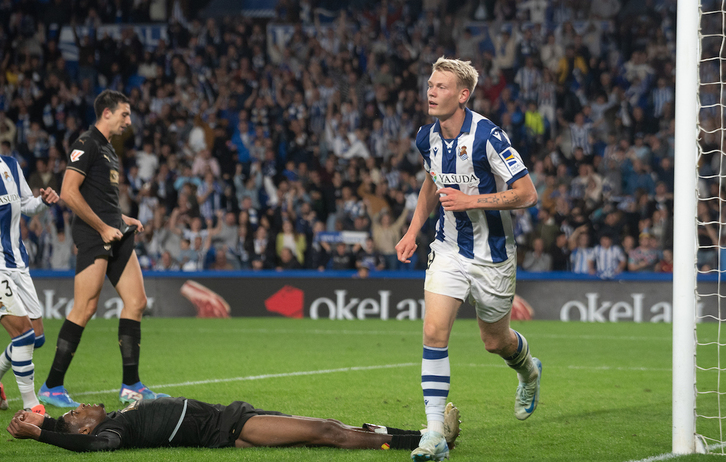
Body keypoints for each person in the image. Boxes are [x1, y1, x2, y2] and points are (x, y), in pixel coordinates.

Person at [395, 57, 541, 462]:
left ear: (463, 95)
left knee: (495, 341)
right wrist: (412, 230)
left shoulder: (488, 137)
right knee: (433, 331)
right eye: (430, 84)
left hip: (493, 256)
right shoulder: (426, 137)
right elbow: (432, 183)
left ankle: (528, 370)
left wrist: (470, 201)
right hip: (447, 248)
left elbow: (528, 194)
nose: (431, 91)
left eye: (440, 86)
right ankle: (434, 434)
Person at [38, 90, 169, 408]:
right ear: (106, 113)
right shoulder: (87, 143)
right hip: (94, 234)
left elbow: (101, 199)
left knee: (137, 302)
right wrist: (102, 227)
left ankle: (131, 386)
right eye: (124, 114)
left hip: (115, 231)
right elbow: (69, 192)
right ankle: (52, 386)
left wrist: (123, 219)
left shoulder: (109, 149)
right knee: (85, 308)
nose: (129, 120)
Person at [7, 398, 460, 453]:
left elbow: (68, 426)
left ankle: (420, 434)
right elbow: (92, 449)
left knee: (332, 426)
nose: (78, 407)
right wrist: (41, 433)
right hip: (233, 427)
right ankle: (429, 440)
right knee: (326, 430)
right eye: (75, 415)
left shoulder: (121, 416)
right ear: (86, 430)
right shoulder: (115, 433)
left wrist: (40, 419)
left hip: (234, 417)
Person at [0, 153, 59, 412]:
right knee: (23, 335)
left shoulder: (11, 165)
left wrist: (43, 201)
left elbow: (26, 204)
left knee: (37, 336)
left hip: (18, 262)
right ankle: (31, 407)